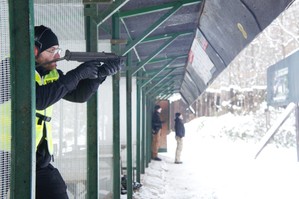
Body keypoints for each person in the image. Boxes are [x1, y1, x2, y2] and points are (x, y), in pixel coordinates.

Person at [33, 25, 122, 199]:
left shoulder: (49, 74)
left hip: (35, 158)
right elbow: (37, 99)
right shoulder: (11, 69)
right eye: (52, 50)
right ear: (35, 50)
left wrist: (99, 74)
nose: (57, 56)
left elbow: (78, 95)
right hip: (8, 156)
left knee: (56, 189)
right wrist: (77, 74)